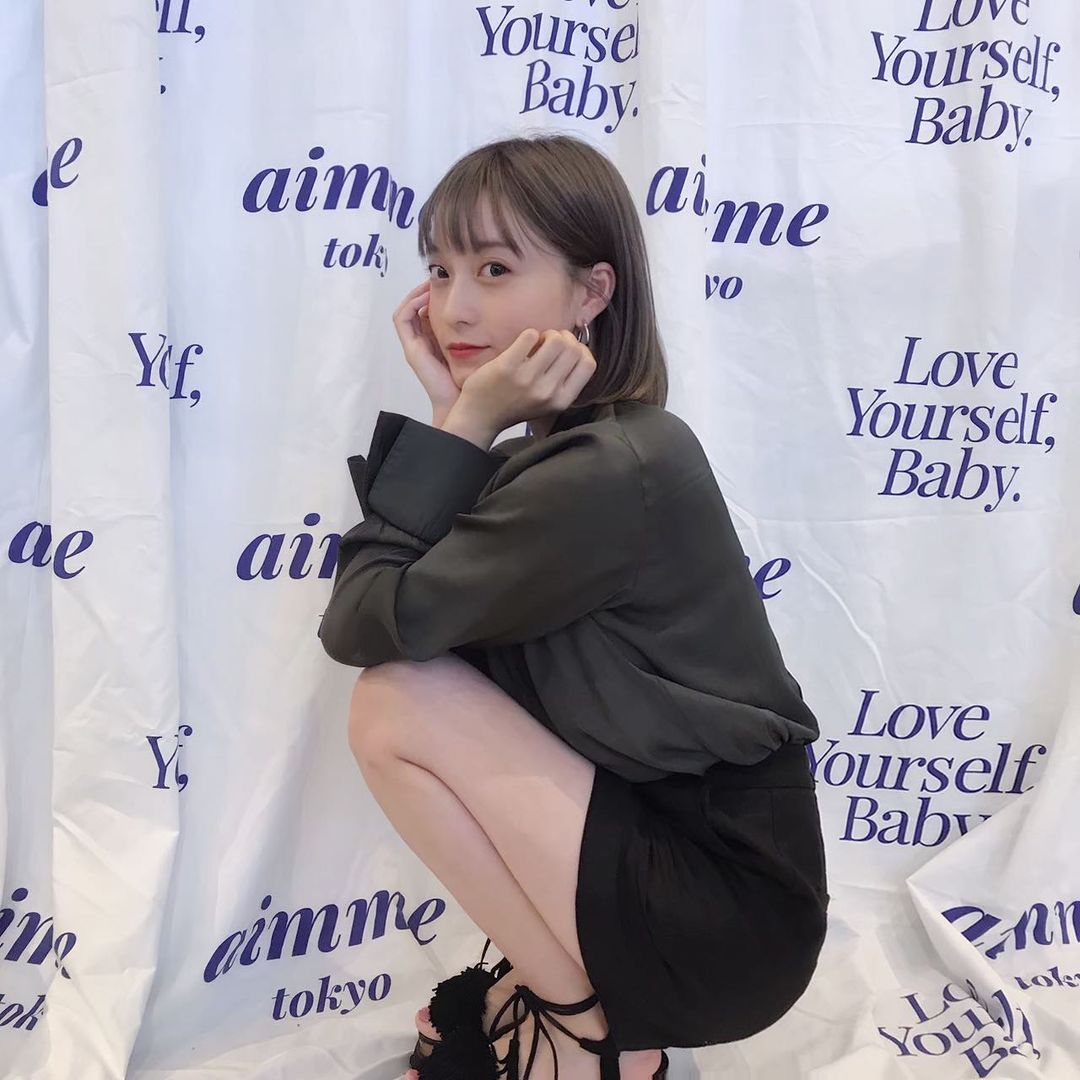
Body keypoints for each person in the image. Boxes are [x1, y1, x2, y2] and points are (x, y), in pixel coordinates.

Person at [317, 132, 829, 1080]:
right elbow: (386, 609)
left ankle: (586, 1032)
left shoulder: (609, 468)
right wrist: (456, 423)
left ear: (592, 292)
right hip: (682, 855)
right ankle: (581, 1009)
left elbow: (360, 625)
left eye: (494, 268)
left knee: (395, 702)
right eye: (440, 268)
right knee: (408, 689)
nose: (453, 306)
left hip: (725, 907)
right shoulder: (564, 457)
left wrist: (465, 423)